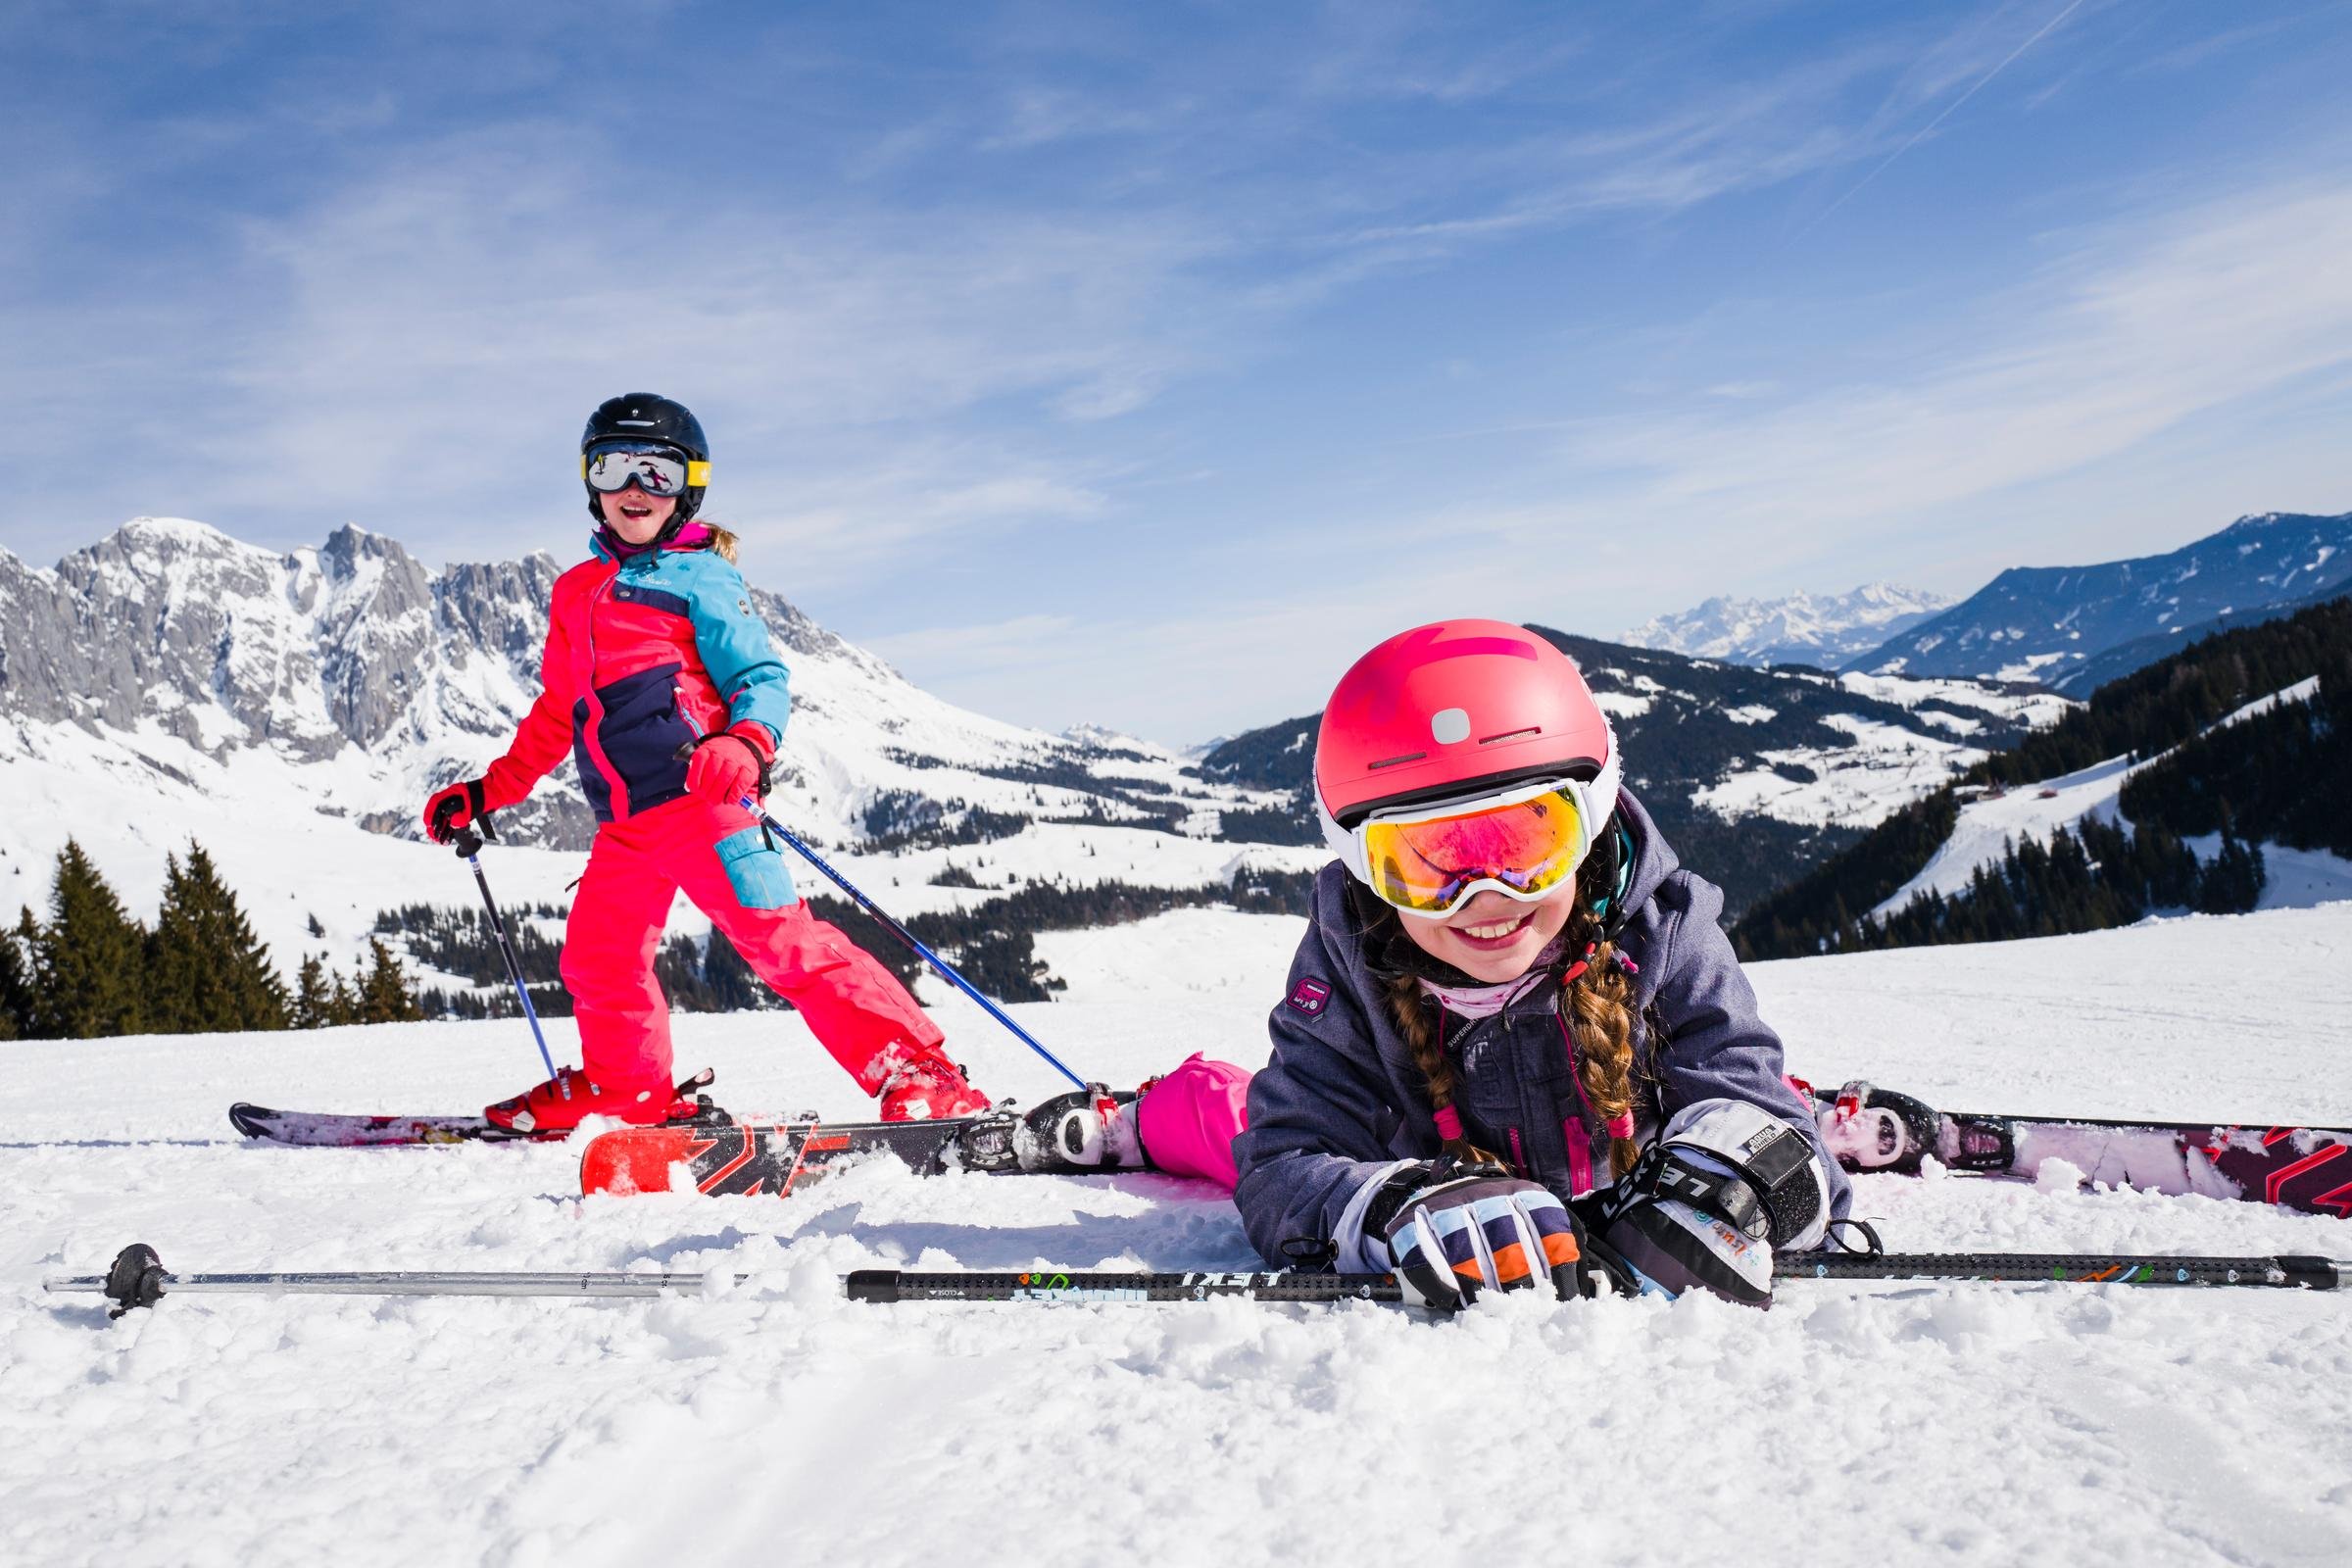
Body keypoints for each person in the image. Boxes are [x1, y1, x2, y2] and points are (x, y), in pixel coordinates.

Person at [1228, 618, 1850, 1310]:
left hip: (1630, 1166)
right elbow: (1282, 1165)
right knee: (1213, 1114)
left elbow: (1776, 1129)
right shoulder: (1351, 962)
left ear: (1591, 821)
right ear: (1360, 867)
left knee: (1770, 1105)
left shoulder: (1663, 931)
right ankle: (1153, 1110)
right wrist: (1391, 1204)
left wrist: (1739, 1176)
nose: (1485, 898)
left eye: (1527, 843)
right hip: (1424, 1167)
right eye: (1425, 863)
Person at [421, 394, 990, 1133]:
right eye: (615, 467)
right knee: (599, 960)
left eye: (655, 472)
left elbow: (760, 679)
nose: (635, 488)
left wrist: (744, 743)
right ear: (589, 479)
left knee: (783, 944)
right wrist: (489, 792)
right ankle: (628, 1089)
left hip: (705, 805)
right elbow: (558, 712)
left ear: (686, 486)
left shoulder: (702, 578)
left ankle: (921, 1073)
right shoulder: (574, 594)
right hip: (625, 827)